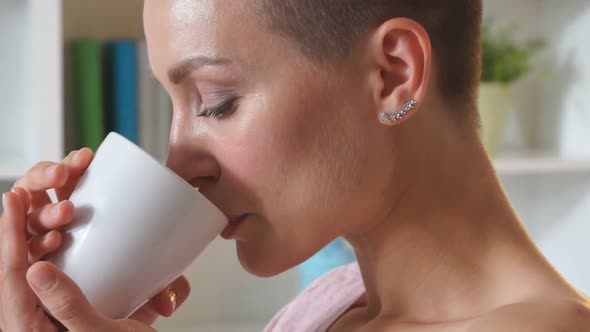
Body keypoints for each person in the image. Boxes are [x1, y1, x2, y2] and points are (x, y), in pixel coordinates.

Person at [1, 0, 589, 331]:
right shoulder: (322, 309)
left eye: (215, 102)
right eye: (172, 106)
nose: (180, 165)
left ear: (391, 75)